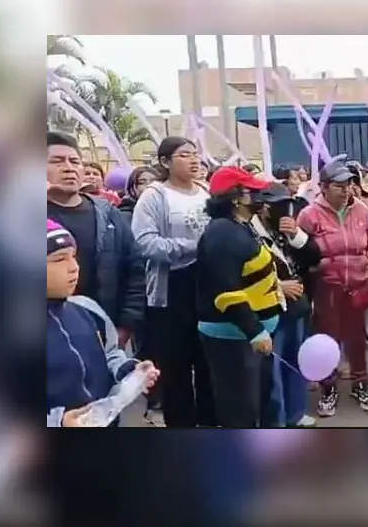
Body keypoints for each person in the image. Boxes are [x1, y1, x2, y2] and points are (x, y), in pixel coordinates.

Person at [131, 136, 216, 428]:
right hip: (172, 288)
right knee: (175, 366)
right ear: (165, 162)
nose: (194, 160)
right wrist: (195, 247)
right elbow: (145, 243)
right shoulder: (154, 196)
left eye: (195, 153)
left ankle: (210, 421)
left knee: (207, 361)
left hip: (207, 285)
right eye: (185, 154)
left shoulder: (206, 192)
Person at [46, 219, 160, 427]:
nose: (74, 268)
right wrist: (59, 421)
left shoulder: (87, 308)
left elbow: (110, 353)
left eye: (74, 257)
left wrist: (129, 370)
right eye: (59, 259)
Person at [194, 167, 282, 428]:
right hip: (234, 338)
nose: (259, 196)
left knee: (259, 402)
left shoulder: (241, 226)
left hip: (250, 337)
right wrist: (255, 331)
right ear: (235, 198)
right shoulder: (222, 233)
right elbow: (226, 292)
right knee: (240, 409)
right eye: (252, 191)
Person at [46, 132, 146, 354]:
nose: (69, 168)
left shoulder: (107, 213)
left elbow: (135, 269)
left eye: (75, 162)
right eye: (57, 161)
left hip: (107, 331)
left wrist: (125, 326)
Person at [297, 158, 368, 416]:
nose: (346, 191)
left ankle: (359, 383)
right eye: (339, 186)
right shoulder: (309, 215)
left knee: (357, 339)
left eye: (349, 185)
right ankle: (328, 387)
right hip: (327, 287)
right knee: (327, 338)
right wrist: (316, 267)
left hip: (358, 285)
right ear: (323, 187)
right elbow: (299, 252)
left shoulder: (362, 210)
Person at [251, 182, 322, 427]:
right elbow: (244, 274)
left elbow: (314, 255)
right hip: (271, 310)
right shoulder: (250, 232)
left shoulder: (288, 229)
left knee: (295, 361)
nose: (284, 211)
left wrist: (296, 235)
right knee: (274, 369)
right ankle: (278, 421)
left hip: (298, 306)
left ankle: (296, 412)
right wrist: (279, 285)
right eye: (278, 206)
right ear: (263, 208)